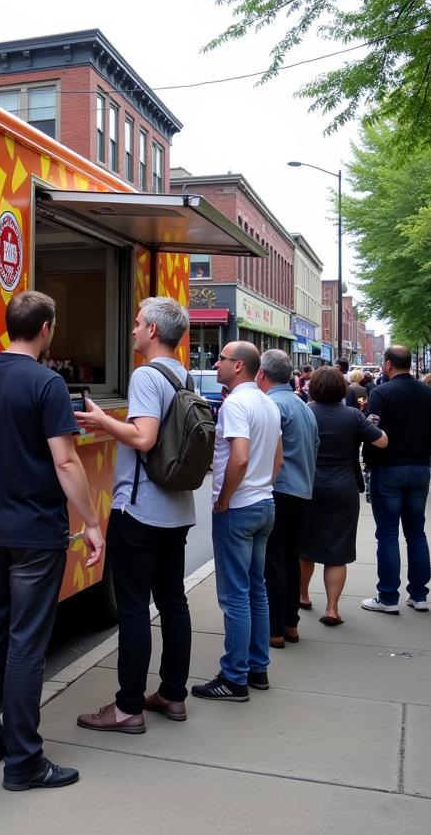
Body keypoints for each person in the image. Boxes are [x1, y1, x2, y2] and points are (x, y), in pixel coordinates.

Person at [0, 290, 103, 791]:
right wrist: (91, 521)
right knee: (27, 644)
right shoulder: (47, 384)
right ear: (46, 329)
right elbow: (65, 461)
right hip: (35, 533)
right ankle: (24, 762)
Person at [74, 297, 197, 734]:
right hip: (177, 510)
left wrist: (104, 422)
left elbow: (144, 439)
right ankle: (173, 694)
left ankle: (127, 707)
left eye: (139, 323)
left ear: (154, 332)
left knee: (133, 610)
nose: (132, 330)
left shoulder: (147, 375)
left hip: (140, 510)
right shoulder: (184, 376)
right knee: (173, 602)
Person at [192, 341, 282, 702]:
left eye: (223, 359)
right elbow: (278, 456)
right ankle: (257, 667)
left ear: (239, 366)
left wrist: (225, 498)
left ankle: (234, 676)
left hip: (240, 508)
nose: (216, 364)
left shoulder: (235, 404)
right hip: (264, 504)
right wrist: (264, 487)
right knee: (256, 588)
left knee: (235, 596)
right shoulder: (267, 402)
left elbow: (239, 458)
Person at [361, 345, 431, 613]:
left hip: (388, 468)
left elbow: (371, 431)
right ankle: (419, 594)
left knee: (387, 534)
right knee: (416, 532)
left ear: (388, 365)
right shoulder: (429, 394)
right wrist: (427, 449)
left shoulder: (381, 393)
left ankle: (388, 597)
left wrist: (370, 462)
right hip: (419, 468)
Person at [299, 367, 387, 624]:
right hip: (343, 487)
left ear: (312, 387)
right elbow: (382, 442)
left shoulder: (305, 411)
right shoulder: (352, 416)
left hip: (308, 486)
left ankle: (302, 596)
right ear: (342, 388)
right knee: (337, 550)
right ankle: (332, 608)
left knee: (303, 546)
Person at [256, 349, 319, 647]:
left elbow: (265, 452)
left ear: (262, 374)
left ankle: (276, 628)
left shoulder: (271, 405)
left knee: (274, 561)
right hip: (303, 491)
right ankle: (291, 624)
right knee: (291, 558)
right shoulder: (302, 405)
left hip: (279, 490)